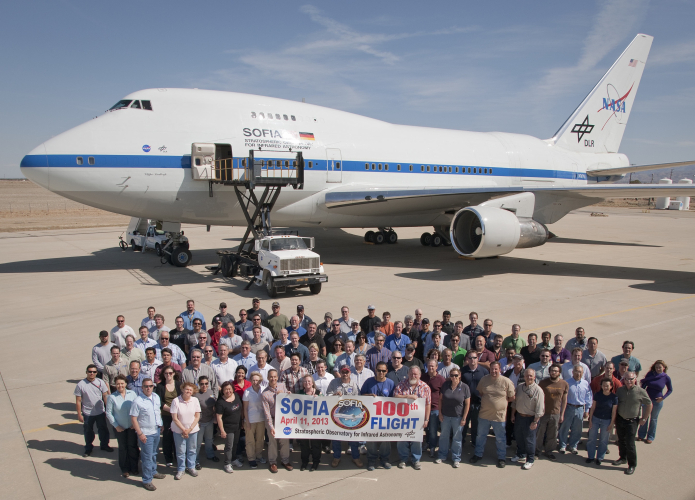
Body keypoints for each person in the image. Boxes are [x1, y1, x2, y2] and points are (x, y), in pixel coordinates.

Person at [470, 361, 515, 468]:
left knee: (500, 438)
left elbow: (512, 397)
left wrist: (500, 404)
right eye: (492, 369)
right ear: (489, 369)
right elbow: (481, 392)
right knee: (480, 436)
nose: (494, 371)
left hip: (499, 416)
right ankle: (478, 454)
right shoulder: (484, 379)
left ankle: (501, 457)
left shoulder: (506, 381)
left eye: (496, 369)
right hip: (484, 414)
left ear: (500, 369)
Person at [130, 377, 166, 490]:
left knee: (154, 454)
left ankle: (153, 471)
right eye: (146, 386)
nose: (148, 388)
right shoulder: (138, 401)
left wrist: (161, 424)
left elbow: (157, 412)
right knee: (146, 457)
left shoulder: (156, 397)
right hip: (145, 434)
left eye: (150, 386)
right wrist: (140, 434)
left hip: (156, 431)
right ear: (142, 387)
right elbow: (134, 419)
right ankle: (147, 480)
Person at [613, 371, 652, 475]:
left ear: (635, 379)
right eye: (626, 379)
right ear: (624, 380)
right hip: (620, 419)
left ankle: (632, 465)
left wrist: (644, 418)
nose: (629, 381)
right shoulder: (620, 390)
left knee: (630, 443)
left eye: (631, 379)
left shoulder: (641, 391)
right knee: (621, 440)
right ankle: (623, 458)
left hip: (632, 421)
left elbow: (649, 404)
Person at [394, 366, 431, 470]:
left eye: (415, 374)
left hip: (417, 419)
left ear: (419, 375)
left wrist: (426, 419)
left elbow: (428, 404)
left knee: (416, 440)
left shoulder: (425, 387)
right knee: (402, 439)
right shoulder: (401, 385)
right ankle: (403, 459)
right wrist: (408, 397)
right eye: (411, 374)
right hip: (402, 419)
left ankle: (416, 460)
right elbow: (395, 397)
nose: (413, 376)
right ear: (408, 374)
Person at [361, 362, 395, 470]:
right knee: (371, 438)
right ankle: (371, 459)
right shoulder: (369, 382)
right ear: (375, 370)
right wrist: (369, 396)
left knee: (385, 438)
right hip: (371, 416)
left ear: (387, 371)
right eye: (379, 370)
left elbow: (395, 400)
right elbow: (361, 396)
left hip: (385, 416)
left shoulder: (390, 383)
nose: (381, 373)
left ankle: (384, 459)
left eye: (383, 371)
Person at [326, 366, 362, 467]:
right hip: (336, 413)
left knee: (353, 437)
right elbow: (327, 395)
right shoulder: (334, 382)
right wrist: (334, 395)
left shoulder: (354, 384)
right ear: (340, 373)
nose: (345, 374)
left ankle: (356, 457)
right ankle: (336, 457)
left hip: (350, 414)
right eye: (343, 372)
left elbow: (359, 399)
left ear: (350, 373)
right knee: (336, 436)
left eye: (347, 372)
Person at [510, 369, 545, 469]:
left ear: (534, 377)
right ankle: (520, 454)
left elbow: (540, 408)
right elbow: (515, 403)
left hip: (531, 418)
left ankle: (530, 459)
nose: (529, 377)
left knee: (530, 440)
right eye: (527, 376)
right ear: (524, 376)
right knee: (519, 437)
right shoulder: (520, 387)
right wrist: (513, 415)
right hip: (519, 416)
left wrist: (535, 421)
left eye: (531, 376)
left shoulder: (538, 390)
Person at [74, 364, 111, 457]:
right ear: (86, 372)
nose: (92, 373)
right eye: (90, 371)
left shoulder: (100, 382)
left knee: (103, 429)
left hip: (100, 411)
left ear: (96, 373)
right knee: (88, 431)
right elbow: (78, 401)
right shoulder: (80, 385)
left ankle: (104, 445)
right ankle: (88, 448)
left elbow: (105, 396)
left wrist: (108, 410)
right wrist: (79, 414)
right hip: (87, 413)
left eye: (94, 372)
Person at [436, 368, 470, 468]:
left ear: (459, 375)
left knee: (457, 438)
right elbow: (440, 400)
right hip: (446, 416)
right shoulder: (445, 385)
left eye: (455, 375)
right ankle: (442, 455)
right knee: (444, 437)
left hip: (458, 417)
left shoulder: (464, 387)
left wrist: (464, 418)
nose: (453, 377)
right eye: (452, 375)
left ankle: (456, 458)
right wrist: (440, 413)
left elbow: (467, 404)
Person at [106, 374, 138, 477]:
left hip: (132, 427)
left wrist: (135, 423)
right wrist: (116, 425)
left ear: (125, 384)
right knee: (123, 448)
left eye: (122, 383)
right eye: (118, 384)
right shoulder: (112, 397)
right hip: (120, 428)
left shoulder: (132, 394)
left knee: (132, 447)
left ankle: (134, 467)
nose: (120, 385)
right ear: (115, 385)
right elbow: (108, 413)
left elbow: (137, 408)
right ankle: (124, 468)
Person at [262, 369, 293, 473]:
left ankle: (285, 461)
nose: (273, 379)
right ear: (267, 378)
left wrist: (286, 394)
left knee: (284, 440)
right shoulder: (265, 394)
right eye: (271, 377)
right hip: (272, 418)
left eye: (275, 376)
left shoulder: (282, 386)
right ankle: (273, 462)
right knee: (272, 441)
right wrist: (271, 427)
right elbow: (266, 413)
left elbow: (289, 399)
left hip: (283, 419)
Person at [558, 365, 592, 454]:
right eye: (576, 371)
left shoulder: (585, 384)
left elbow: (588, 397)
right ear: (572, 372)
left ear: (582, 373)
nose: (578, 373)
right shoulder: (566, 383)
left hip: (580, 408)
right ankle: (562, 445)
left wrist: (587, 410)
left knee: (577, 429)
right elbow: (562, 397)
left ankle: (573, 446)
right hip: (568, 407)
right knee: (565, 427)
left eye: (580, 372)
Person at [536, 364, 568, 460]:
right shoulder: (543, 383)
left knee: (553, 434)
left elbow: (564, 400)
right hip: (543, 413)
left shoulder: (564, 384)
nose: (553, 372)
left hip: (556, 413)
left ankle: (549, 451)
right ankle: (537, 451)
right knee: (540, 433)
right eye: (552, 371)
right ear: (549, 372)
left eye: (556, 371)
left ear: (559, 373)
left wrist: (562, 414)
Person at [170, 382, 201, 480]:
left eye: (190, 390)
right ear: (182, 389)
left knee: (192, 449)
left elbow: (197, 416)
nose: (188, 391)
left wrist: (190, 429)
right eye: (187, 389)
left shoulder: (195, 400)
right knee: (180, 451)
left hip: (193, 430)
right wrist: (184, 430)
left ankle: (191, 467)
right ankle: (181, 469)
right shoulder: (176, 401)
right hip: (179, 430)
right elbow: (175, 418)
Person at [638, 360, 673, 443]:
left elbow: (670, 390)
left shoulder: (666, 377)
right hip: (647, 400)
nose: (658, 369)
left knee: (653, 419)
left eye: (660, 367)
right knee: (644, 417)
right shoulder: (650, 374)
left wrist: (663, 398)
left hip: (657, 402)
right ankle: (641, 435)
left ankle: (650, 436)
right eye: (656, 367)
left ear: (663, 368)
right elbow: (644, 384)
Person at [586, 378, 618, 465]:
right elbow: (593, 408)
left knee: (603, 440)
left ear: (611, 386)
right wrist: (590, 420)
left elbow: (614, 412)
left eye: (607, 386)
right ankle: (590, 457)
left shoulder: (614, 398)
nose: (605, 387)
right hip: (595, 419)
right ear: (601, 386)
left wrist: (612, 423)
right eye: (603, 385)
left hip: (606, 421)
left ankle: (600, 457)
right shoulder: (597, 395)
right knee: (592, 439)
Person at [460, 351, 489, 448]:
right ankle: (461, 441)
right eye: (470, 358)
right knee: (463, 423)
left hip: (478, 403)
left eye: (474, 357)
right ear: (467, 359)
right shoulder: (463, 371)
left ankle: (474, 442)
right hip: (465, 403)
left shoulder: (484, 371)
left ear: (478, 359)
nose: (472, 360)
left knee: (476, 424)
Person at [156, 366, 181, 467]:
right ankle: (168, 458)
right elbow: (159, 401)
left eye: (170, 373)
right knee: (167, 437)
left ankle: (177, 456)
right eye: (166, 373)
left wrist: (176, 411)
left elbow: (182, 398)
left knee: (177, 436)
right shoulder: (160, 386)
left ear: (174, 373)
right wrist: (170, 410)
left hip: (178, 415)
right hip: (166, 415)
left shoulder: (179, 385)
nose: (168, 375)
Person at [216, 381, 243, 473]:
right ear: (222, 391)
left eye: (229, 389)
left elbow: (241, 410)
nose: (228, 391)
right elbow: (219, 417)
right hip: (228, 428)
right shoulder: (220, 402)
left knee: (235, 444)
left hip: (238, 426)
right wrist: (222, 431)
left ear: (233, 389)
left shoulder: (236, 396)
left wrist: (242, 421)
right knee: (229, 446)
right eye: (226, 389)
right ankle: (227, 463)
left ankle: (234, 459)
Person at [297, 375, 322, 471]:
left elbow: (326, 404)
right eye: (305, 382)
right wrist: (288, 395)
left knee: (315, 444)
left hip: (315, 424)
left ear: (312, 383)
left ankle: (315, 462)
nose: (307, 383)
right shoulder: (299, 393)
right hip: (303, 424)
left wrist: (319, 399)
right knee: (304, 444)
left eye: (309, 381)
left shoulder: (319, 393)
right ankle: (304, 461)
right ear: (302, 384)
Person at [193, 376, 218, 470]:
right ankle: (195, 460)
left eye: (206, 383)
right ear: (199, 384)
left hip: (210, 420)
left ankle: (210, 455)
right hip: (200, 422)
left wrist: (215, 416)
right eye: (202, 384)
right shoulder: (195, 395)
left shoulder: (210, 392)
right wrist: (196, 422)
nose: (204, 385)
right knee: (198, 443)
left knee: (209, 439)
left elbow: (213, 406)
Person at [243, 371, 267, 468]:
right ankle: (251, 458)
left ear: (260, 380)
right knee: (250, 441)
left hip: (261, 419)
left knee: (260, 440)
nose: (255, 382)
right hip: (250, 419)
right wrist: (247, 422)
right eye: (253, 380)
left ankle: (259, 455)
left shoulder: (264, 390)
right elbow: (245, 408)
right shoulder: (247, 392)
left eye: (257, 380)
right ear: (251, 380)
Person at [421, 358, 444, 457]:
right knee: (426, 428)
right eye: (429, 366)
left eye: (432, 366)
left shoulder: (441, 379)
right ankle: (427, 443)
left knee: (433, 429)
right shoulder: (423, 377)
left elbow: (443, 395)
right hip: (423, 407)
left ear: (436, 367)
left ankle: (433, 447)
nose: (430, 368)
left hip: (435, 408)